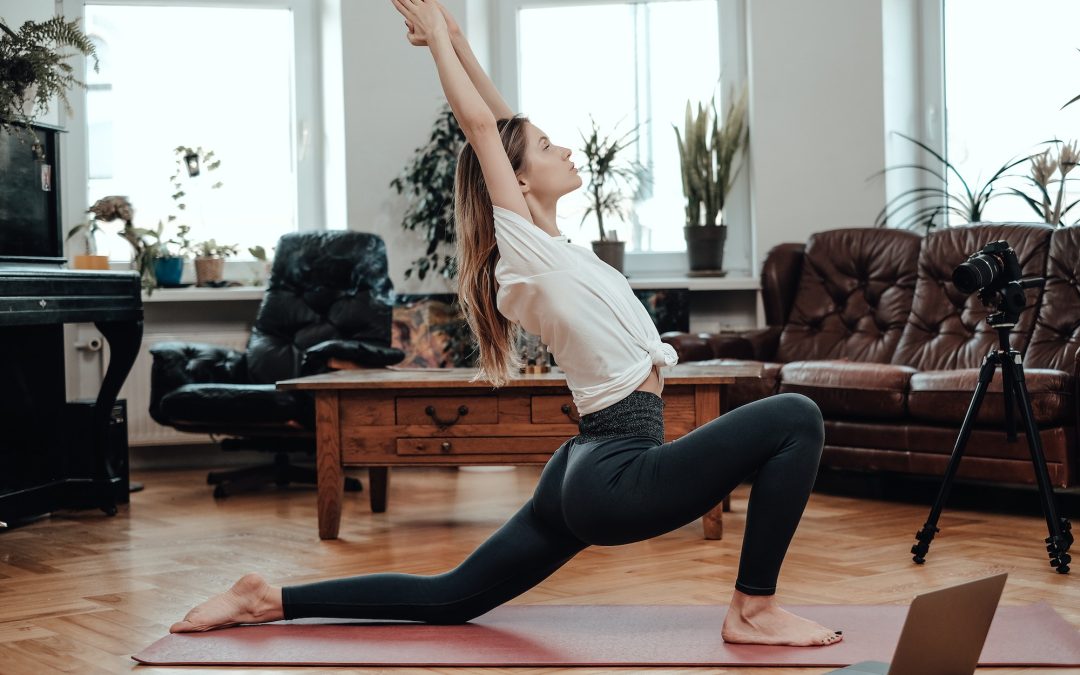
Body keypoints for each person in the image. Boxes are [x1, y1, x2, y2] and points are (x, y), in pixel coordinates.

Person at [170, 0, 842, 647]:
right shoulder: (525, 254)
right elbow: (485, 131)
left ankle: (267, 598)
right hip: (614, 473)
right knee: (795, 416)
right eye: (550, 147)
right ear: (519, 184)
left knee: (450, 596)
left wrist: (458, 40)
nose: (568, 150)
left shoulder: (553, 249)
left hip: (584, 466)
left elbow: (502, 121)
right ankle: (754, 607)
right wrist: (436, 42)